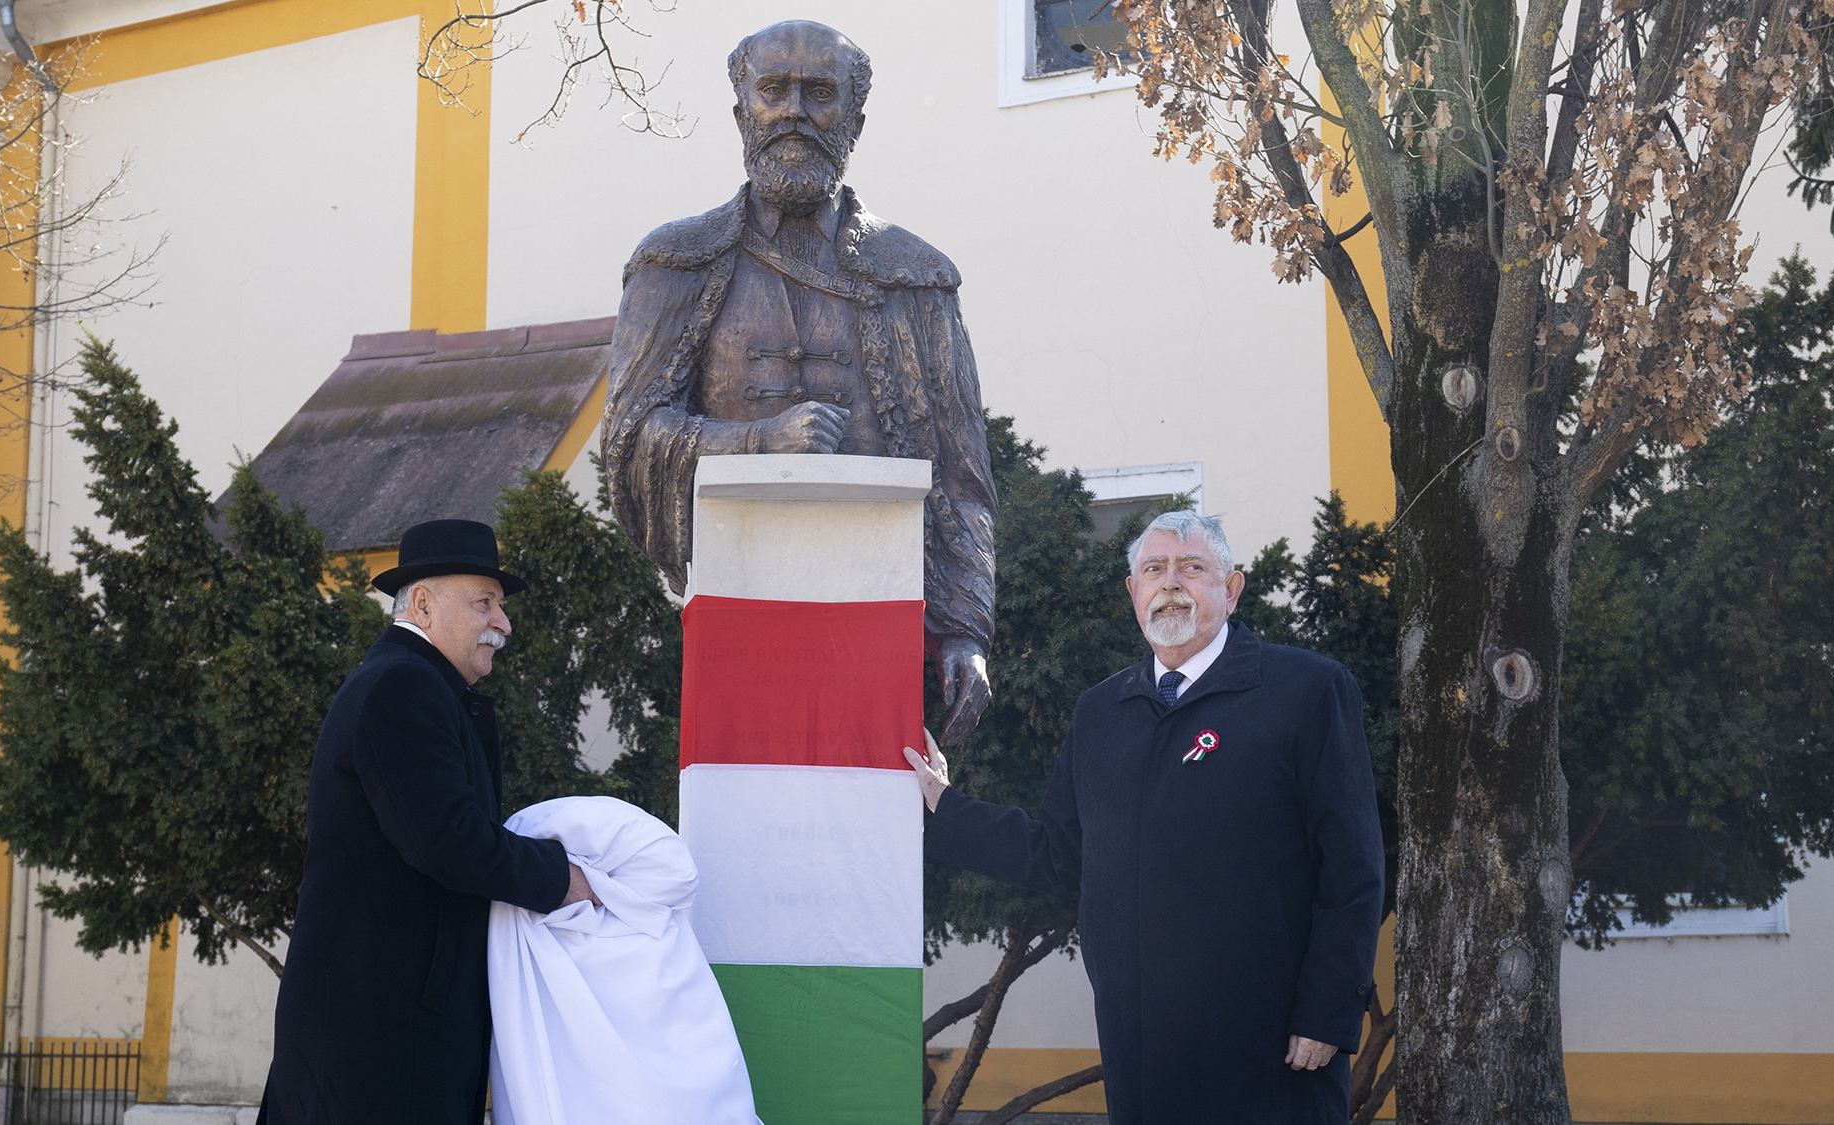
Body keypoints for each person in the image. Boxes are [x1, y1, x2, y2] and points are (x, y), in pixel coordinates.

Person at [903, 510, 1386, 1124]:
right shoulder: (1102, 713)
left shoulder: (1308, 692)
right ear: (1133, 592)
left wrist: (1326, 1015)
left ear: (1231, 590)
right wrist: (944, 809)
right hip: (1143, 1054)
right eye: (1153, 569)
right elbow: (1058, 854)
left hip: (1272, 1054)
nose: (1170, 583)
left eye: (1192, 567)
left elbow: (1353, 871)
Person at [602, 19, 997, 743]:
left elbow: (963, 475)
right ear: (740, 112)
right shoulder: (673, 263)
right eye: (773, 90)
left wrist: (967, 627)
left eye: (819, 93)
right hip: (737, 596)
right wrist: (759, 441)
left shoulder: (918, 279)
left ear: (855, 118)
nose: (793, 112)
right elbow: (629, 443)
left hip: (874, 606)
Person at [260, 519, 600, 1125]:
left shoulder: (416, 687)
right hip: (379, 1041)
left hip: (393, 1031)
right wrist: (563, 879)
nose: (503, 622)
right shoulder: (401, 688)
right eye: (484, 602)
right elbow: (448, 841)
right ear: (422, 603)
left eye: (499, 604)